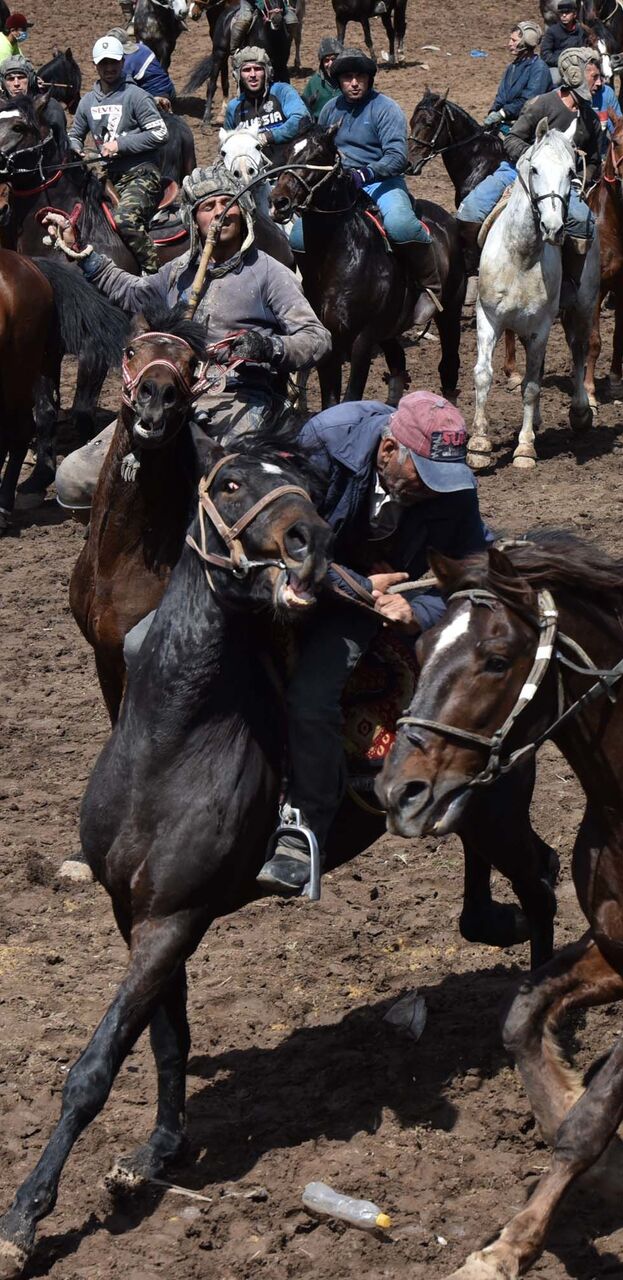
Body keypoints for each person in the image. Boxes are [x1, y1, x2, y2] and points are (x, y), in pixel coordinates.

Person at [256, 393, 493, 895]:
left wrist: (416, 614)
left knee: (311, 696)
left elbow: (473, 574)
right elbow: (281, 538)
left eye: (442, 481)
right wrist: (357, 584)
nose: (434, 491)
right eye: (423, 476)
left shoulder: (449, 487)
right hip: (282, 584)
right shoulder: (326, 438)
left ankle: (305, 829)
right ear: (388, 450)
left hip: (359, 609)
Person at [47, 164, 331, 510]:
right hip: (168, 395)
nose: (220, 213)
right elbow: (132, 292)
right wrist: (84, 253)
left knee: (225, 489)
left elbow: (317, 337)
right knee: (74, 478)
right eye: (208, 206)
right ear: (193, 218)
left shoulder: (270, 274)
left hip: (241, 397)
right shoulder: (177, 271)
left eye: (229, 203)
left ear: (244, 215)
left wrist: (269, 346)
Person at [306, 47, 438, 330]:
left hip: (381, 181)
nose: (354, 83)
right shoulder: (329, 110)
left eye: (360, 77)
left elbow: (397, 157)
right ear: (338, 81)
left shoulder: (386, 108)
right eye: (348, 77)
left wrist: (365, 173)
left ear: (369, 79)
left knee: (401, 225)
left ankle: (430, 286)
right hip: (339, 186)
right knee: (296, 237)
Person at [456, 48, 603, 282]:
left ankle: (570, 282)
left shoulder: (591, 120)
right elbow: (513, 139)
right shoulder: (542, 105)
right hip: (517, 172)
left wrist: (579, 181)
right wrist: (537, 158)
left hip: (562, 183)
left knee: (584, 223)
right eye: (595, 76)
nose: (600, 83)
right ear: (576, 75)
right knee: (470, 209)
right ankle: (472, 273)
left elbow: (595, 160)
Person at [69, 34, 169, 273]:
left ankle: (153, 273)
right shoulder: (86, 102)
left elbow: (160, 133)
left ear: (123, 62)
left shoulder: (137, 96)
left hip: (141, 174)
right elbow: (74, 135)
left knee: (125, 219)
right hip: (105, 177)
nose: (109, 68)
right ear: (95, 65)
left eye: (114, 62)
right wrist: (76, 150)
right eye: (103, 63)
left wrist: (120, 144)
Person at [224, 45, 310, 143]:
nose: (252, 75)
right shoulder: (233, 107)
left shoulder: (282, 91)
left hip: (288, 154)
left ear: (267, 72)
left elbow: (302, 119)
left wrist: (268, 137)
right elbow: (226, 142)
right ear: (237, 75)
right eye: (246, 70)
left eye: (258, 69)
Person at [484, 21, 552, 129]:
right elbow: (501, 95)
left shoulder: (539, 68)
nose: (509, 43)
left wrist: (502, 113)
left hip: (528, 127)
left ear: (526, 42)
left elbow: (529, 101)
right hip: (507, 121)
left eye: (514, 40)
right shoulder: (512, 66)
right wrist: (493, 111)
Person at [0, 54, 68, 146]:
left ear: (31, 79)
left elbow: (61, 146)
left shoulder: (49, 108)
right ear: (3, 83)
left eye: (21, 77)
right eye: (10, 79)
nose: (16, 83)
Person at [105, 25, 176, 107]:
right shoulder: (142, 47)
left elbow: (118, 87)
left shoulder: (126, 61)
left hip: (157, 97)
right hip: (170, 90)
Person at [541, 0, 588, 79]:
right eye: (561, 13)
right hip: (557, 67)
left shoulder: (581, 31)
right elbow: (545, 55)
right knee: (555, 79)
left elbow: (586, 50)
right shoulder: (552, 31)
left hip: (578, 66)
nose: (564, 15)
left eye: (567, 13)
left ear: (575, 14)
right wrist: (563, 61)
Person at [230, 0, 299, 51]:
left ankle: (286, 47)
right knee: (244, 20)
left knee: (292, 20)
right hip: (251, 2)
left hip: (276, 3)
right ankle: (235, 49)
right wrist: (261, 4)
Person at [301, 36, 343, 115]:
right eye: (326, 60)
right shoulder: (315, 82)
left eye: (334, 59)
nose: (330, 64)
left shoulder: (351, 80)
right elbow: (304, 108)